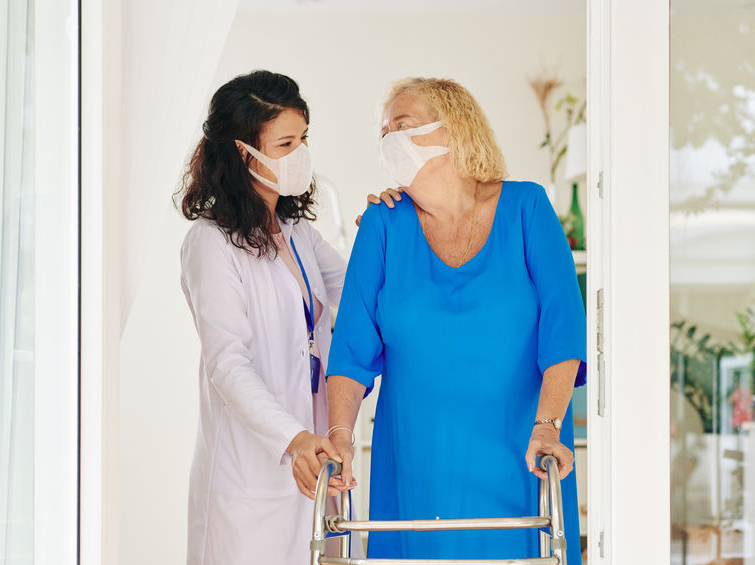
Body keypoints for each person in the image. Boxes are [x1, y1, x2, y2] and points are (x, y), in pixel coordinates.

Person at [300, 77, 587, 562]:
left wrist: (549, 426)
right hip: (416, 465)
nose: (390, 139)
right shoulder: (383, 225)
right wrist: (341, 437)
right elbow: (350, 351)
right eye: (384, 131)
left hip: (521, 453)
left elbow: (564, 333)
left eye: (403, 126)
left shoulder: (527, 209)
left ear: (454, 130)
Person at [177, 70, 365, 565]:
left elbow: (357, 296)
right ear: (243, 152)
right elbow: (227, 363)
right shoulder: (210, 243)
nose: (300, 153)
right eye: (285, 143)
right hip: (251, 480)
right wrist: (294, 437)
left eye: (303, 139)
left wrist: (387, 230)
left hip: (317, 462)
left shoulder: (295, 230)